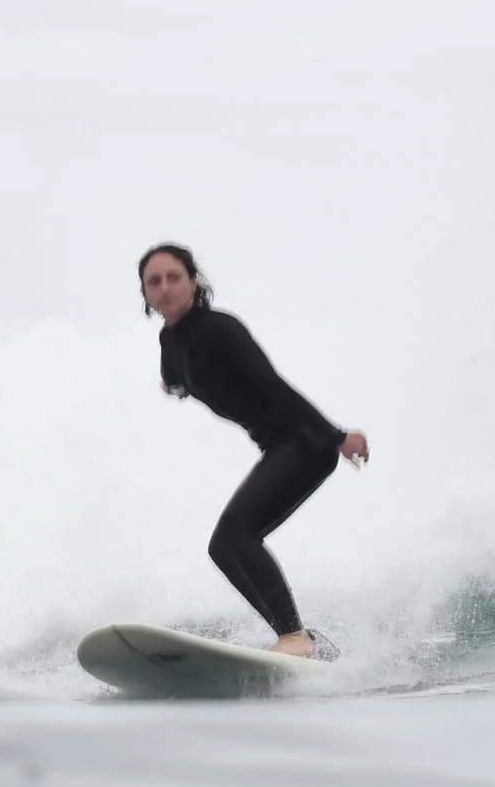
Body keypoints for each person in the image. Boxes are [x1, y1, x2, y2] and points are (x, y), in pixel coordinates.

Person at [138, 243, 369, 658]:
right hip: (278, 446)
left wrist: (337, 435)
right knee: (222, 546)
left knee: (238, 534)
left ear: (193, 281)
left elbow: (272, 384)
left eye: (174, 277)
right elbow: (175, 380)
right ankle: (298, 637)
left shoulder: (221, 330)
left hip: (304, 441)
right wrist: (174, 388)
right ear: (145, 293)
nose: (165, 287)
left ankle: (294, 637)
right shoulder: (169, 343)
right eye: (154, 281)